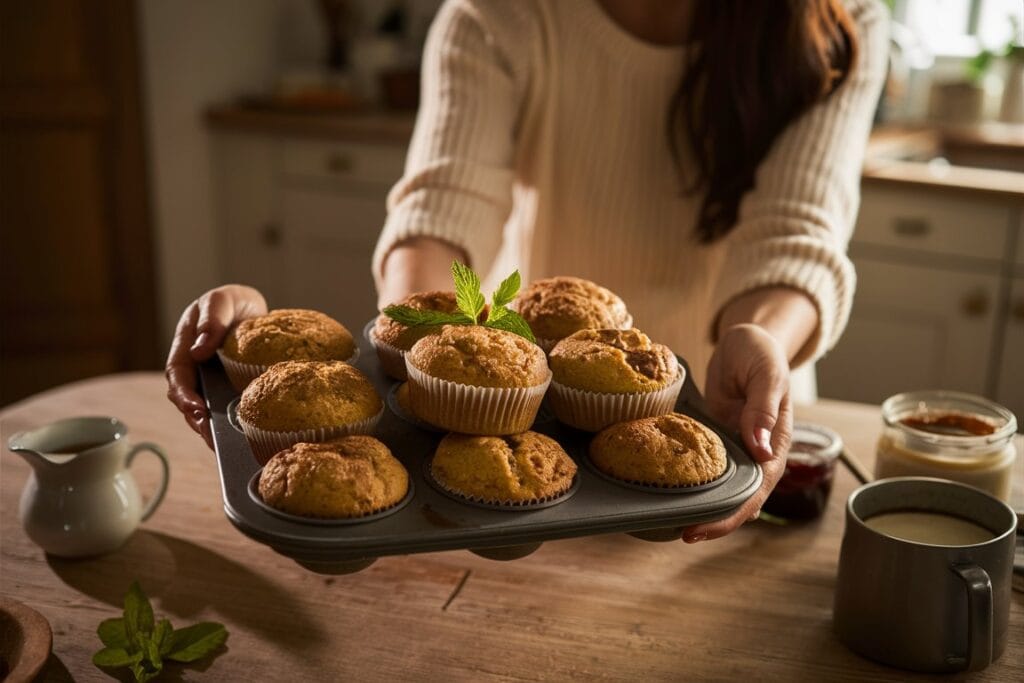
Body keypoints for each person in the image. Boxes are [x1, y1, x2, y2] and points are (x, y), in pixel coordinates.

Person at [166, 0, 888, 543]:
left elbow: (796, 236)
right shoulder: (499, 11)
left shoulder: (840, 20)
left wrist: (760, 339)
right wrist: (416, 353)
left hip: (734, 408)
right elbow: (443, 215)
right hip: (512, 422)